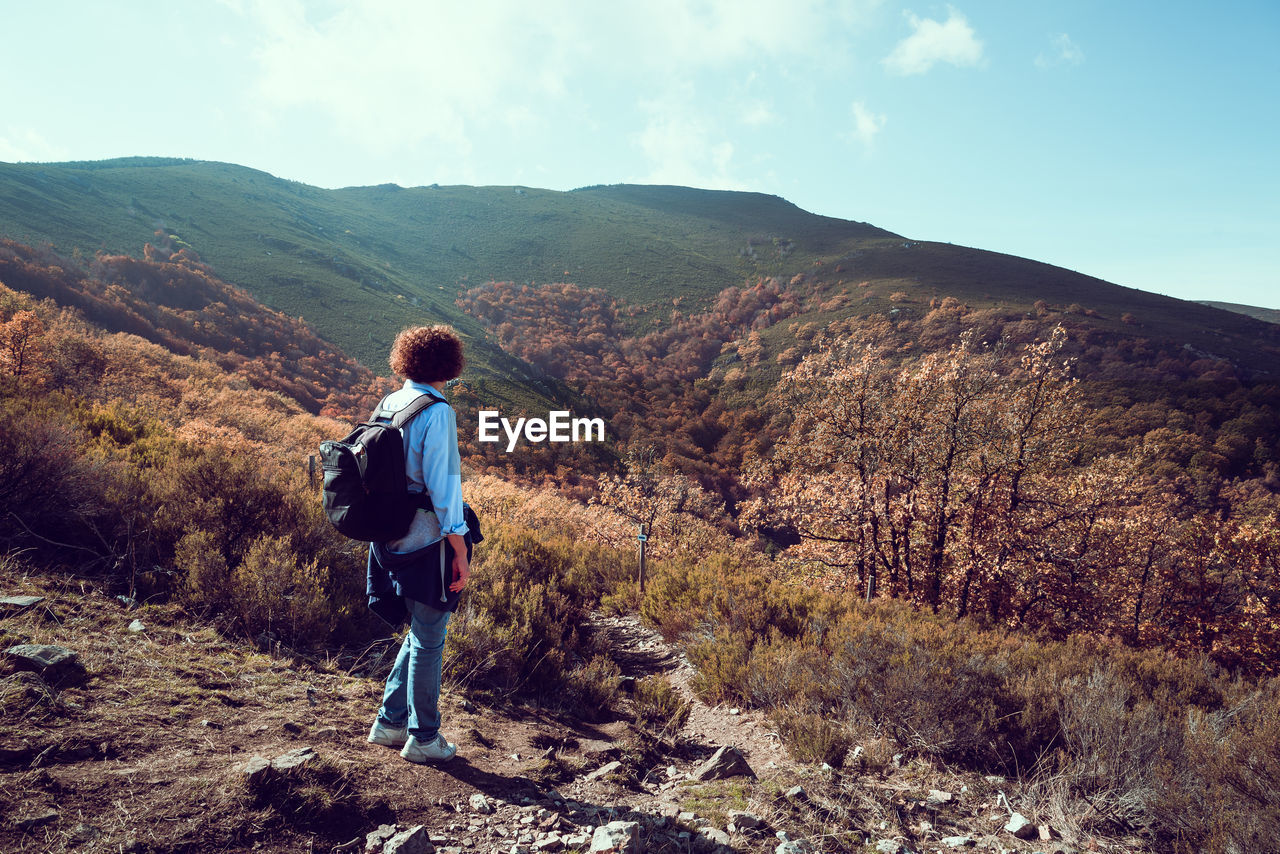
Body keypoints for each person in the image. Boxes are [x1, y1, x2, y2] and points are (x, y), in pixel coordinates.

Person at [366, 324, 470, 764]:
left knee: (420, 630)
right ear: (449, 364)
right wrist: (459, 545)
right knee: (431, 636)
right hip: (426, 536)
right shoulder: (438, 410)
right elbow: (444, 484)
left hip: (385, 532)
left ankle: (389, 724)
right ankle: (424, 737)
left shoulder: (390, 402)